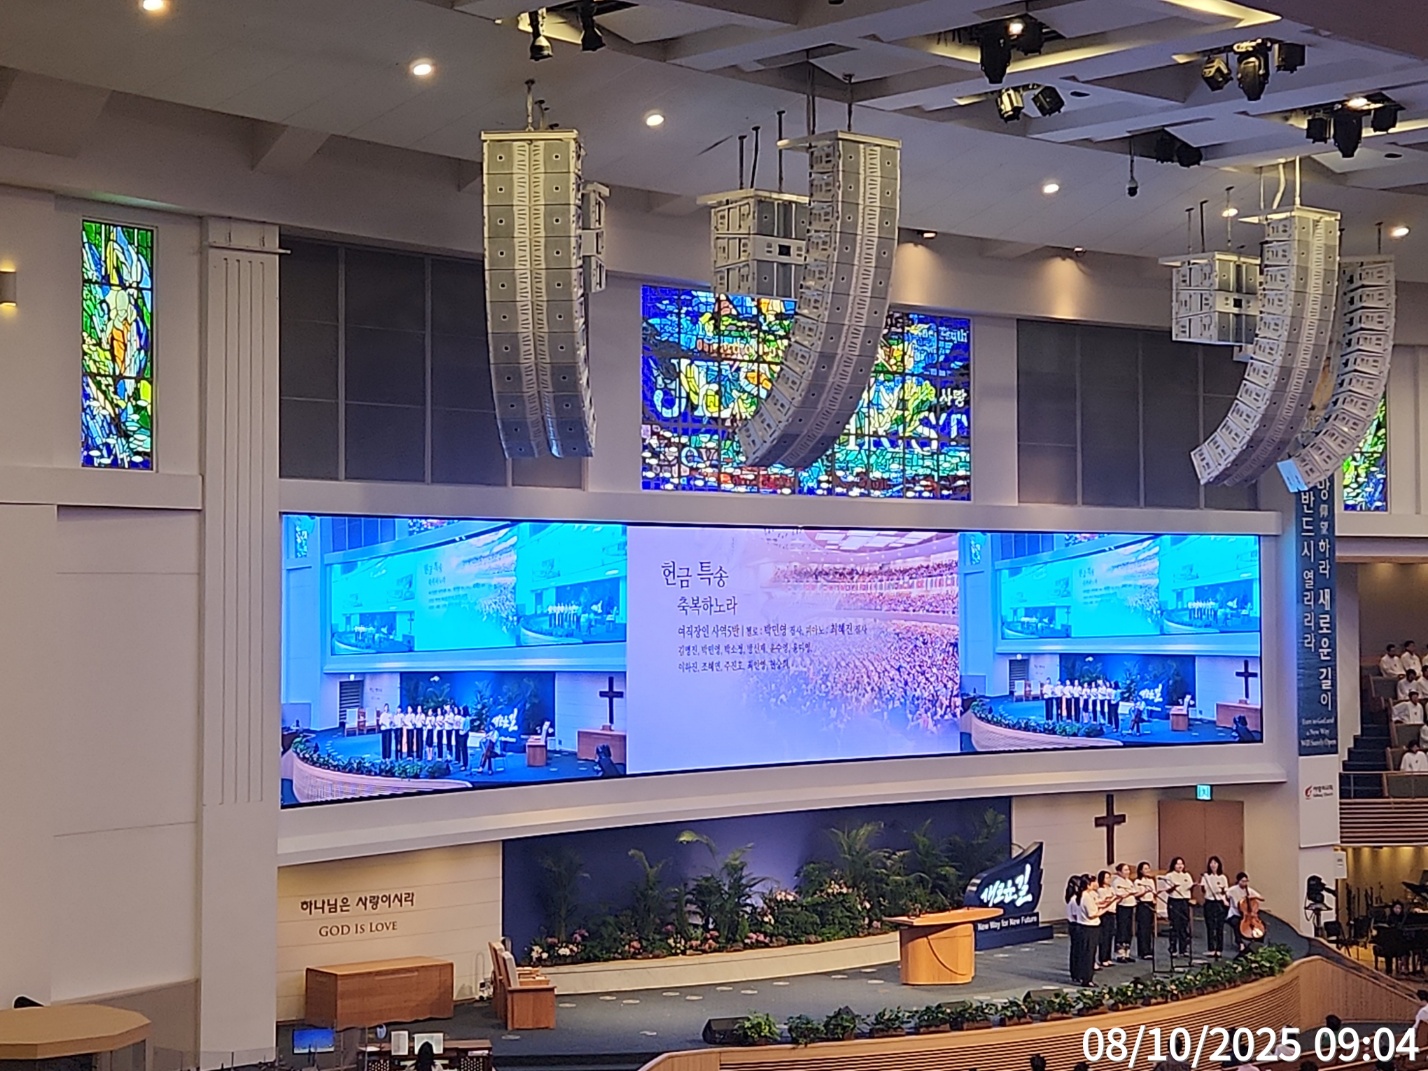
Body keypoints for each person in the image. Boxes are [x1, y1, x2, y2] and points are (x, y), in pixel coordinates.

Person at [1162, 856, 1194, 957]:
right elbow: (1167, 890)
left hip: (1184, 901)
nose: (1180, 866)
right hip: (1174, 901)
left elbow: (1189, 886)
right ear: (1173, 865)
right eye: (1177, 864)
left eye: (1181, 864)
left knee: (1184, 925)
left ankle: (1183, 949)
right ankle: (1173, 948)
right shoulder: (1169, 875)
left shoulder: (1187, 875)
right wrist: (1173, 887)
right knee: (1175, 925)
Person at [1226, 872, 1264, 954]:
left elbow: (1262, 898)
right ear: (1238, 881)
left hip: (1248, 916)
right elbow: (1225, 895)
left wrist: (1254, 896)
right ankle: (1240, 943)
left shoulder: (1249, 890)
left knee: (1261, 925)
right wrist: (1225, 900)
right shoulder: (1232, 890)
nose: (1245, 883)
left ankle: (1259, 943)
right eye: (1243, 881)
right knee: (1236, 923)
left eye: (1246, 881)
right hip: (1235, 914)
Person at [1201, 855, 1231, 958]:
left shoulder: (1223, 877)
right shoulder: (1206, 876)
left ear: (1219, 865)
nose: (1213, 865)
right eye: (1211, 863)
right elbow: (1203, 890)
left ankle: (1219, 949)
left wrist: (1222, 890)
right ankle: (1211, 948)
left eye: (1215, 863)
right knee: (1210, 926)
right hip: (1209, 902)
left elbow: (1226, 891)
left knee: (1219, 926)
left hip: (1219, 903)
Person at [1066, 874, 1092, 986]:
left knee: (1077, 950)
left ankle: (1076, 972)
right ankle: (1077, 973)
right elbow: (1075, 914)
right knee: (1078, 950)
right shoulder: (1074, 899)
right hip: (1076, 925)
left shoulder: (1073, 898)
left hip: (1074, 924)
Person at [1111, 862, 1136, 962]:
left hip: (1130, 906)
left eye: (1128, 870)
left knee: (1128, 930)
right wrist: (1129, 893)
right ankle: (1120, 954)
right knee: (1122, 929)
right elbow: (1119, 895)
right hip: (1122, 907)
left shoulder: (1129, 881)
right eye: (1125, 870)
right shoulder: (1117, 882)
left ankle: (1127, 953)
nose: (1127, 872)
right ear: (1119, 872)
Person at [1134, 861, 1157, 960]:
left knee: (1149, 928)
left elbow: (1154, 893)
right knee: (1143, 928)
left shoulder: (1151, 881)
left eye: (1148, 868)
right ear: (1140, 870)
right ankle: (1143, 951)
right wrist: (1144, 892)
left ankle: (1149, 949)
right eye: (1145, 869)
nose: (1147, 870)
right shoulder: (1138, 882)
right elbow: (1135, 895)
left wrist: (1154, 897)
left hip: (1150, 904)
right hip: (1142, 904)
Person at [1095, 869, 1117, 968]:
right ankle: (1103, 958)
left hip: (1112, 912)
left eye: (1109, 877)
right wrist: (1111, 899)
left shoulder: (1111, 888)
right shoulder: (1100, 890)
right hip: (1105, 913)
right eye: (1107, 878)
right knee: (1104, 936)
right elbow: (1104, 901)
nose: (1109, 879)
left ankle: (1108, 957)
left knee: (1110, 935)